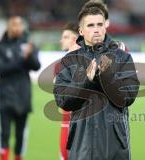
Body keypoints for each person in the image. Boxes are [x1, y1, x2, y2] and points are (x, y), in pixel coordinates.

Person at [53, 5, 139, 160]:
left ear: (105, 27)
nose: (96, 29)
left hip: (114, 146)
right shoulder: (69, 60)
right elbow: (63, 100)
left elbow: (128, 97)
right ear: (80, 31)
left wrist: (105, 76)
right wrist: (87, 80)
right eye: (90, 25)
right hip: (81, 146)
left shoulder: (122, 57)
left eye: (100, 24)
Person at [0, 16, 40, 160]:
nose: (18, 27)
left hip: (23, 96)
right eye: (14, 24)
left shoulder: (28, 45)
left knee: (21, 135)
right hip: (5, 97)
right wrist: (21, 58)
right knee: (4, 133)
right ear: (8, 27)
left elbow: (36, 66)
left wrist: (29, 55)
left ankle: (18, 157)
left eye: (20, 25)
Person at [57, 22, 80, 160]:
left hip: (77, 125)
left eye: (65, 37)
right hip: (66, 123)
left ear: (74, 39)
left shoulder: (83, 62)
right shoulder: (62, 64)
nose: (61, 40)